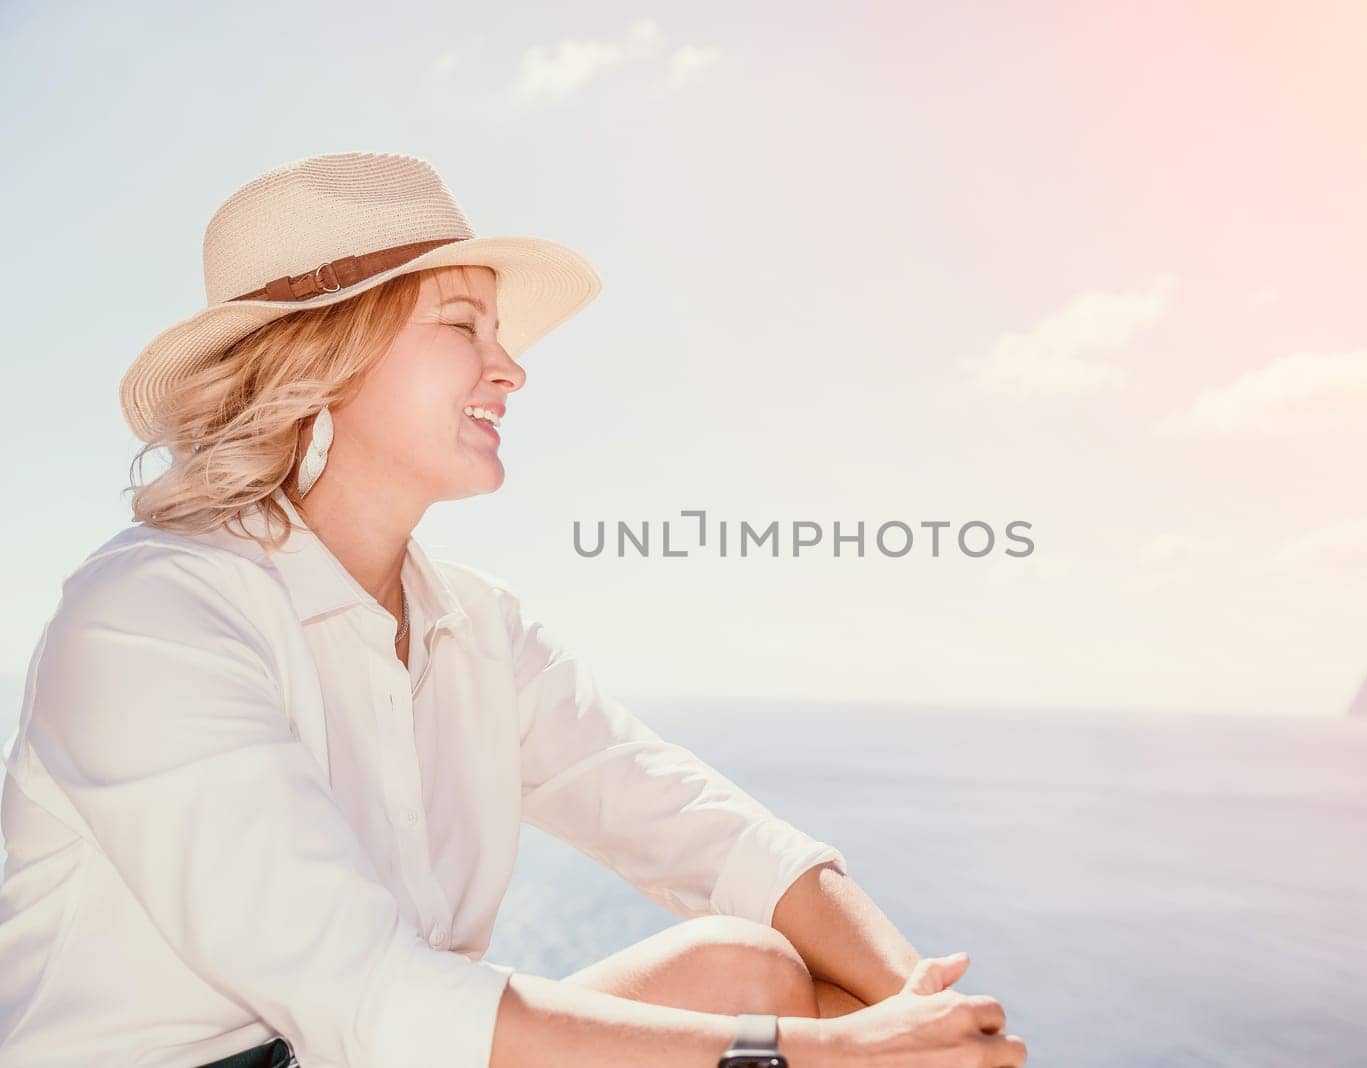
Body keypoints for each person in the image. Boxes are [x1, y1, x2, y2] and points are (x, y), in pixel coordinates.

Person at [0, 152, 1026, 1068]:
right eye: (461, 327)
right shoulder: (149, 616)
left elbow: (702, 831)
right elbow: (370, 1006)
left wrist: (922, 1004)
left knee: (750, 967)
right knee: (796, 1032)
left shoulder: (475, 626)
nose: (512, 368)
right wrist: (830, 1056)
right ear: (324, 359)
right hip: (341, 1045)